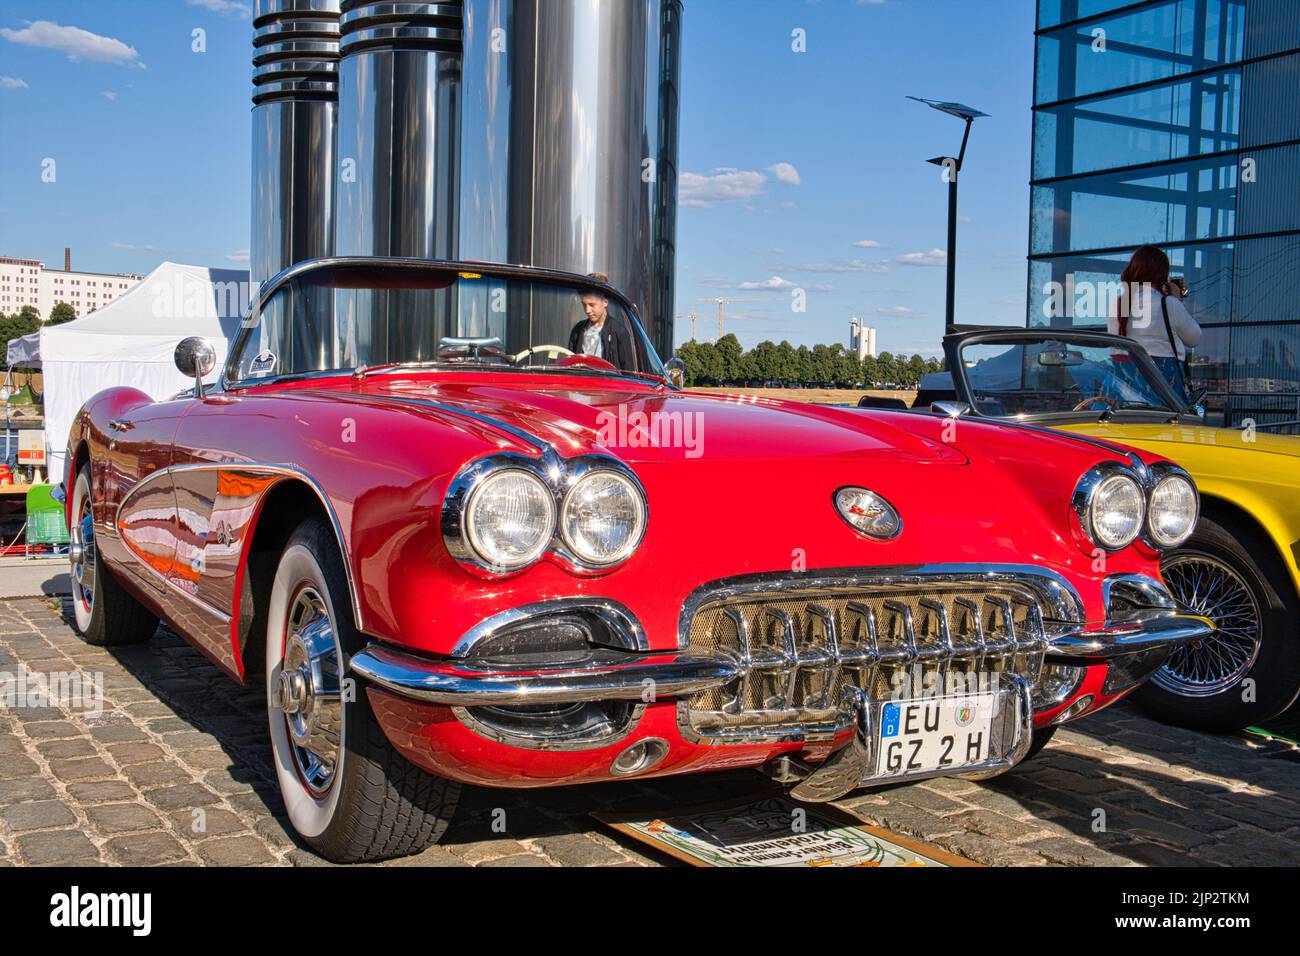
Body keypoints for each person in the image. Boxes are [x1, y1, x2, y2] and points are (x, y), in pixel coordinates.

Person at [1108, 245, 1202, 396]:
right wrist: (1176, 299)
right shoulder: (1168, 304)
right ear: (1162, 275)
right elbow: (1194, 338)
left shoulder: (1118, 303)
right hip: (1162, 389)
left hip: (1123, 390)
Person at [568, 272, 636, 371]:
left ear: (605, 302)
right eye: (584, 304)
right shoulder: (578, 330)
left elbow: (629, 373)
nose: (587, 310)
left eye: (592, 305)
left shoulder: (619, 332)